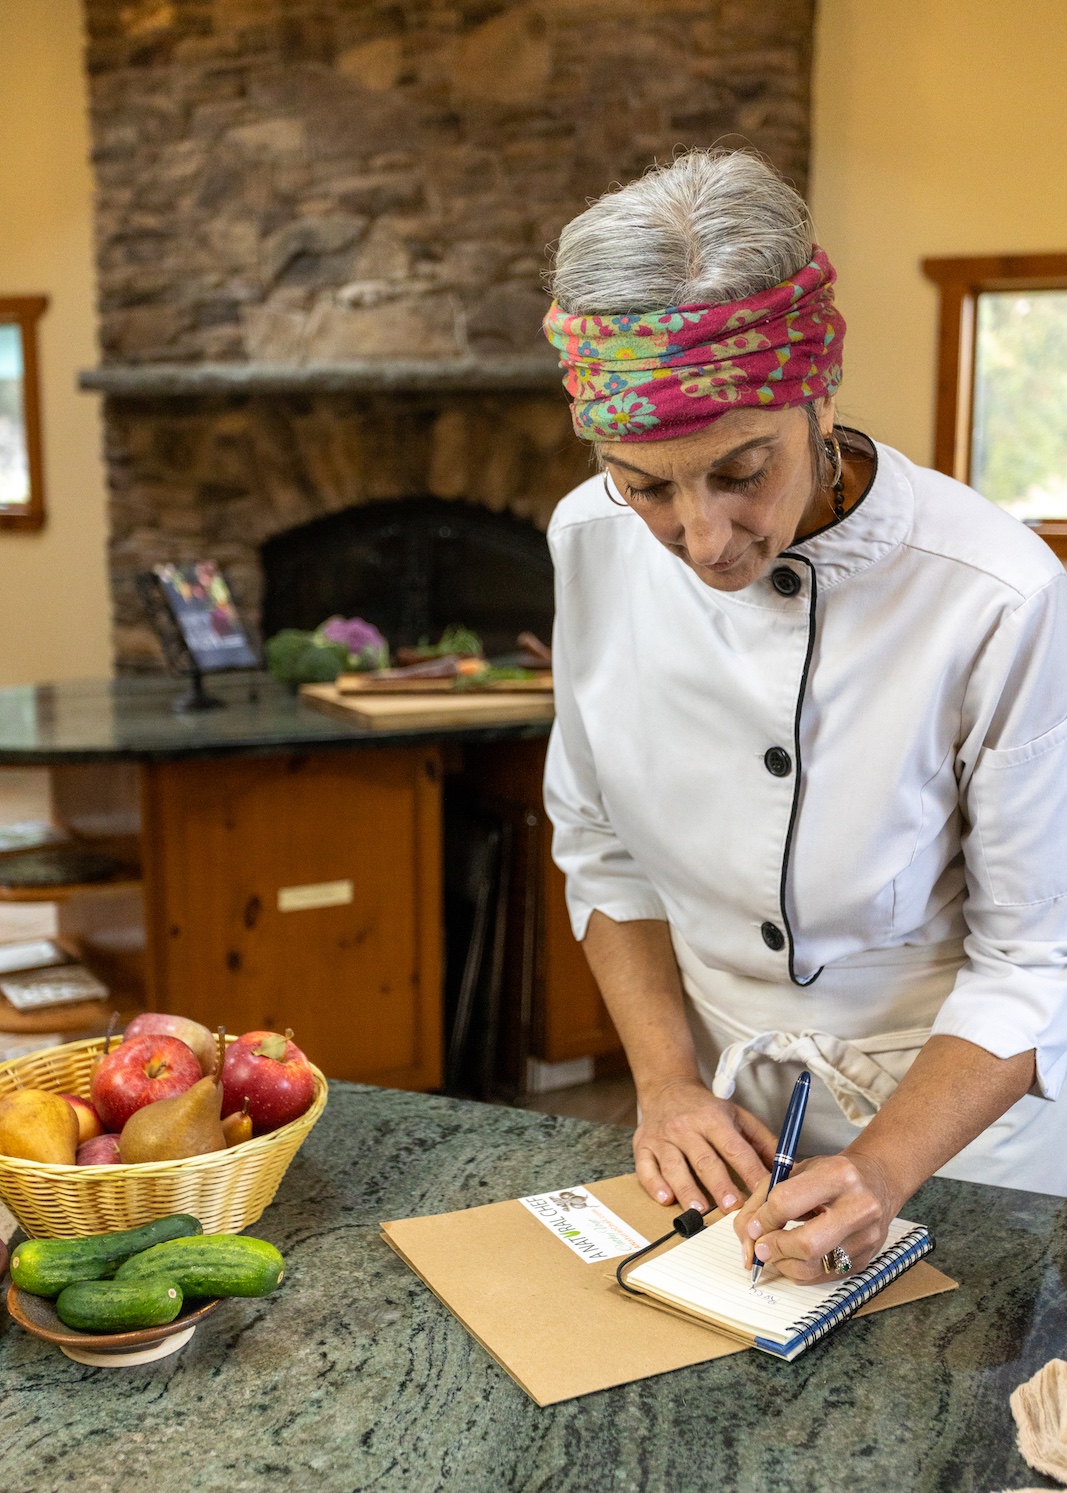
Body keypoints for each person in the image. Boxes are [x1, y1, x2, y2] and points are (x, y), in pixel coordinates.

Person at [540, 150, 1067, 1285]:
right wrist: (668, 1081)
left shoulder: (994, 593)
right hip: (723, 1133)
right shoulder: (584, 541)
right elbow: (601, 851)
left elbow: (1032, 954)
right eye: (646, 484)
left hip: (968, 1144)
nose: (704, 536)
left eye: (742, 469)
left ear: (816, 390)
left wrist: (880, 1166)